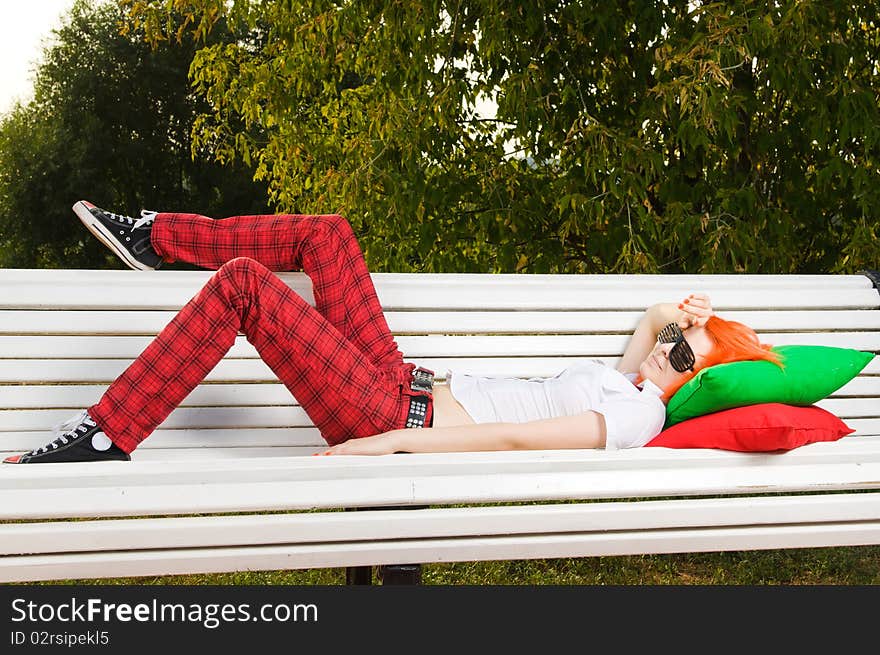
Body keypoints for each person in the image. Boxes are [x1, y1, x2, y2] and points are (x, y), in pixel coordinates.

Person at [3, 202, 779, 463]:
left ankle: (106, 434)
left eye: (686, 360)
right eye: (679, 346)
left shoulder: (641, 416)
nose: (670, 353)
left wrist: (386, 444)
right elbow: (649, 323)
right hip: (398, 380)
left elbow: (511, 443)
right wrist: (682, 319)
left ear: (698, 386)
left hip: (390, 414)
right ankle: (156, 238)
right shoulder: (634, 380)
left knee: (246, 284)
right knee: (329, 236)